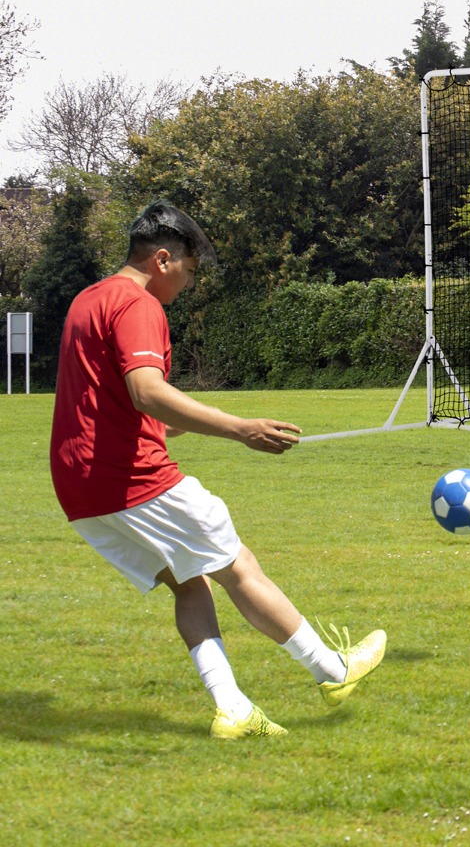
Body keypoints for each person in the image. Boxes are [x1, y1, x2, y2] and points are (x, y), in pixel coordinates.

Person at [50, 200, 386, 739]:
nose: (186, 284)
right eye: (188, 271)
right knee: (239, 566)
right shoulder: (139, 305)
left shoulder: (88, 300)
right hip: (130, 479)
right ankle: (334, 672)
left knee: (191, 582)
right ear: (163, 259)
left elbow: (109, 404)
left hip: (81, 491)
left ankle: (233, 709)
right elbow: (147, 391)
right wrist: (239, 428)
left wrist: (175, 426)